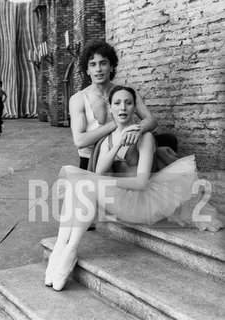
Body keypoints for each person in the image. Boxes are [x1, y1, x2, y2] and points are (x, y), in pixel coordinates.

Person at [45, 86, 222, 291]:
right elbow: (99, 172)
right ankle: (62, 246)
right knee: (79, 182)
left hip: (141, 201)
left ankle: (71, 249)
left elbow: (141, 183)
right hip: (121, 197)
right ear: (110, 108)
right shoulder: (108, 139)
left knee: (83, 183)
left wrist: (106, 181)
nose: (123, 108)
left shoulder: (144, 137)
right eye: (117, 103)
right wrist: (118, 142)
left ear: (134, 108)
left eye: (128, 103)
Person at [70, 40, 159, 170]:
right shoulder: (79, 99)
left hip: (127, 159)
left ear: (111, 67)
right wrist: (116, 124)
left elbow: (151, 120)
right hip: (93, 161)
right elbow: (79, 141)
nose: (98, 69)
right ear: (87, 70)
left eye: (103, 63)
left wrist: (138, 129)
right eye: (93, 64)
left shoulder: (127, 92)